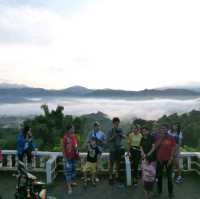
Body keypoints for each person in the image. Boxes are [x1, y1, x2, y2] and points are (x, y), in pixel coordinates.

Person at [155, 124, 176, 199]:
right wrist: (161, 138)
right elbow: (155, 146)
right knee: (159, 176)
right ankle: (159, 191)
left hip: (168, 160)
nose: (162, 130)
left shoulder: (171, 137)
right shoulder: (157, 137)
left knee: (169, 177)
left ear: (167, 129)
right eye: (161, 128)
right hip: (159, 160)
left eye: (164, 128)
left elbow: (173, 148)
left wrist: (171, 158)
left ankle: (170, 193)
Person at [107, 117, 125, 185]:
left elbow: (124, 137)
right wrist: (114, 136)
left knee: (118, 163)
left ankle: (117, 175)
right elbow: (108, 140)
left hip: (119, 148)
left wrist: (121, 135)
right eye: (115, 123)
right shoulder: (110, 130)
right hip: (112, 149)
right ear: (113, 123)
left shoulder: (120, 129)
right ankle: (110, 177)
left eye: (118, 123)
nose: (117, 125)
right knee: (111, 164)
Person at [140, 127, 156, 199]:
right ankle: (146, 191)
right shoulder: (142, 138)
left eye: (145, 131)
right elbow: (141, 146)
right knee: (145, 174)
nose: (144, 132)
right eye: (143, 131)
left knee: (151, 175)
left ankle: (151, 190)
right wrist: (143, 153)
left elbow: (153, 147)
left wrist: (148, 154)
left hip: (152, 159)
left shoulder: (152, 137)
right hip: (144, 158)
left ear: (148, 131)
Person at [62, 124, 79, 195]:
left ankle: (71, 183)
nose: (74, 129)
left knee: (73, 171)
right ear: (69, 129)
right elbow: (63, 148)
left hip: (73, 157)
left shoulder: (74, 136)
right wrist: (65, 158)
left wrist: (77, 155)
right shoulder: (65, 137)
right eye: (73, 128)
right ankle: (69, 187)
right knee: (68, 172)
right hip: (68, 158)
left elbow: (76, 146)